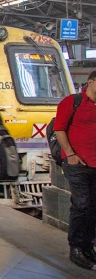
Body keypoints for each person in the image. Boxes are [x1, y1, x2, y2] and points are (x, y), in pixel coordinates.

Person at [53, 70, 96, 270]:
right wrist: (70, 154)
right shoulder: (72, 102)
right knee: (82, 204)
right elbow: (59, 128)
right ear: (90, 82)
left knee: (93, 206)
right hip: (77, 163)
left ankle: (88, 246)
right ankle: (76, 247)